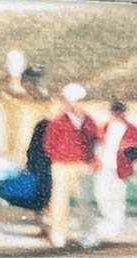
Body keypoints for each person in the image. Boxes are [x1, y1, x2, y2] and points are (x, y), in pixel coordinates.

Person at [44, 82, 99, 248]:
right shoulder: (59, 121)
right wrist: (60, 157)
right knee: (60, 201)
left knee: (86, 201)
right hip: (62, 165)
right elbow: (49, 144)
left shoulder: (89, 121)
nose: (80, 104)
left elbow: (95, 141)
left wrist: (91, 159)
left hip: (83, 165)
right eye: (77, 101)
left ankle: (87, 234)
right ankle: (59, 234)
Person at [94, 100, 137, 241]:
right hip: (104, 165)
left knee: (117, 197)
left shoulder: (130, 128)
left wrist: (133, 160)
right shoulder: (105, 126)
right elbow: (98, 144)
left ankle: (116, 224)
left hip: (120, 167)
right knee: (102, 195)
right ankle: (109, 220)